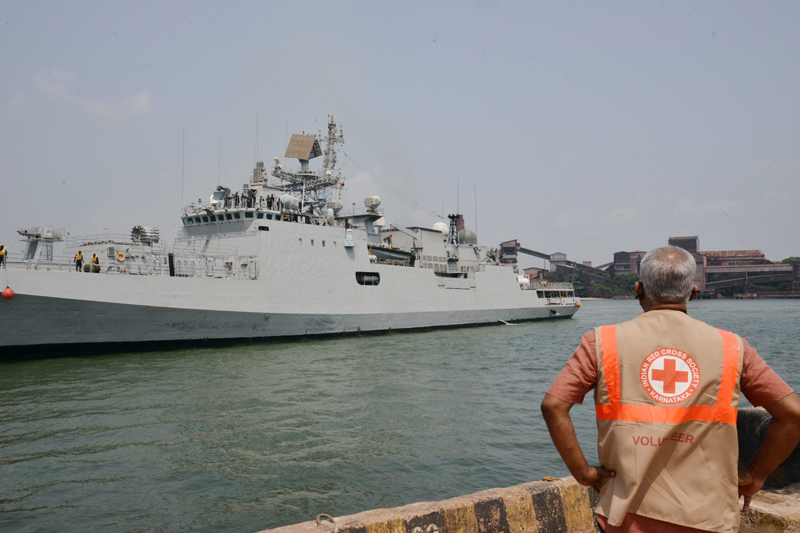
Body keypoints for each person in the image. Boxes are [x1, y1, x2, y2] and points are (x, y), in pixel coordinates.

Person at [541, 246, 800, 533]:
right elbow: (792, 415)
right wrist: (755, 474)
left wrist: (584, 472)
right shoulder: (733, 347)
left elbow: (554, 406)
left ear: (638, 289)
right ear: (693, 292)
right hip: (709, 518)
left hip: (625, 518)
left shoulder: (601, 342)